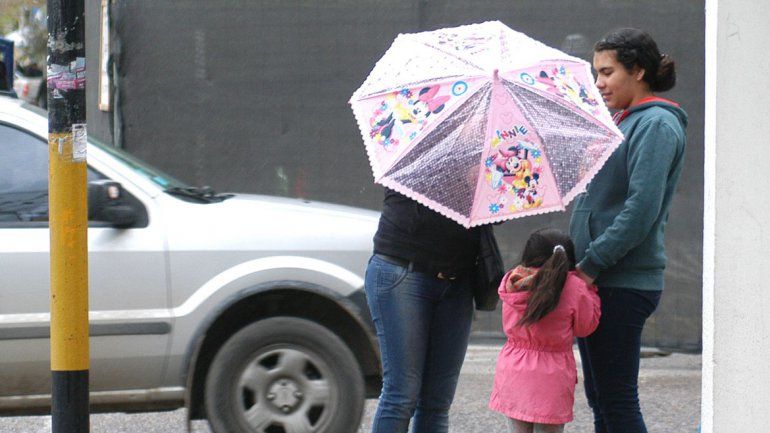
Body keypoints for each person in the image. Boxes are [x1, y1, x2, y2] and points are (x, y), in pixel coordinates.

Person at [569, 28, 688, 433]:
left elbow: (641, 209)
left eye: (607, 72)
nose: (599, 83)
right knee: (601, 398)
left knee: (616, 401)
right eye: (596, 73)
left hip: (619, 282)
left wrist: (590, 263)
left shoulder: (655, 124)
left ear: (638, 71)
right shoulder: (622, 122)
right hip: (599, 279)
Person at [364, 188, 485, 433]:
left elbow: (496, 215)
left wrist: (490, 185)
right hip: (403, 270)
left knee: (437, 401)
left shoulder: (486, 155)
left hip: (457, 280)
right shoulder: (416, 151)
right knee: (401, 394)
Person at [489, 228, 601, 433]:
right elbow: (585, 327)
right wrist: (590, 292)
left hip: (513, 371)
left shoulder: (512, 281)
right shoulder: (574, 286)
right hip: (552, 376)